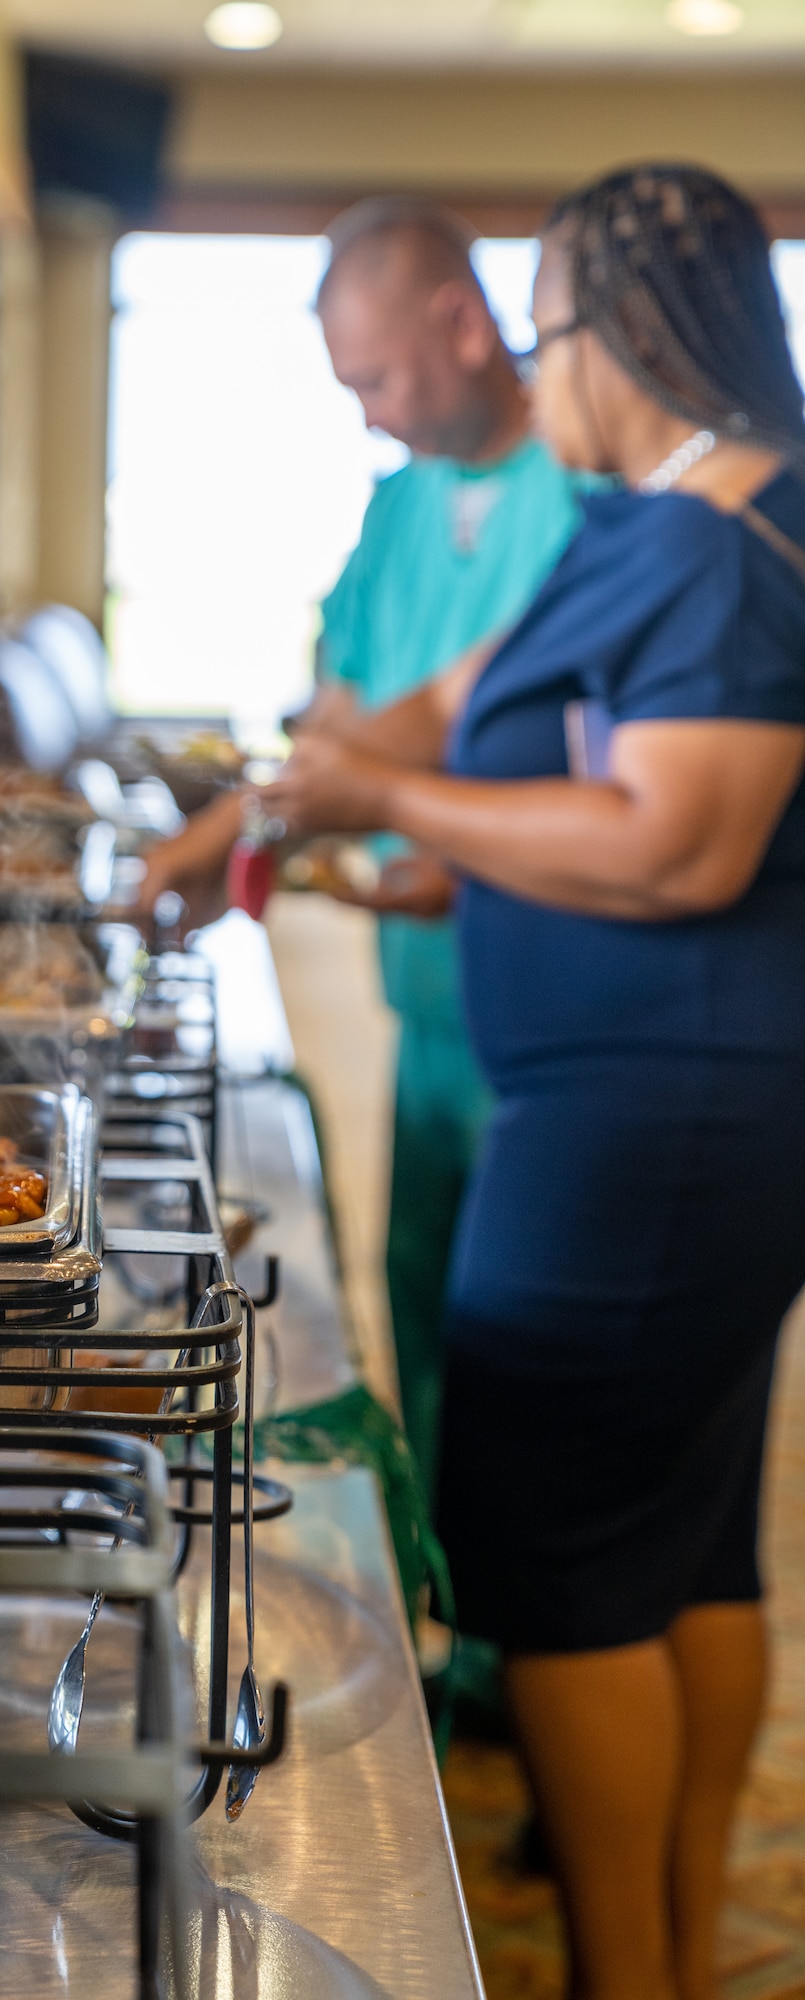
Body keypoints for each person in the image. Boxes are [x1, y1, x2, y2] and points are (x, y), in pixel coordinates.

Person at [258, 162, 805, 2000]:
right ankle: (660, 1933)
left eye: (550, 321)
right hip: (712, 1107)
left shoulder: (704, 539)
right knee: (689, 1544)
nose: (539, 363)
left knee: (555, 1545)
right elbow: (534, 747)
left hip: (647, 1119)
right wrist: (398, 826)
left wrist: (394, 801)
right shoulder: (717, 515)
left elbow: (676, 848)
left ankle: (631, 1970)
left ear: (613, 331)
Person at [139, 197, 584, 1503]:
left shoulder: (583, 488)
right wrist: (205, 853)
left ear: (461, 321)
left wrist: (438, 846)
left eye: (377, 378)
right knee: (428, 1300)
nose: (370, 413)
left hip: (550, 983)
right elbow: (341, 726)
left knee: (534, 1333)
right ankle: (446, 1600)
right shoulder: (398, 512)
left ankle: (529, 1643)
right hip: (427, 992)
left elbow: (571, 738)